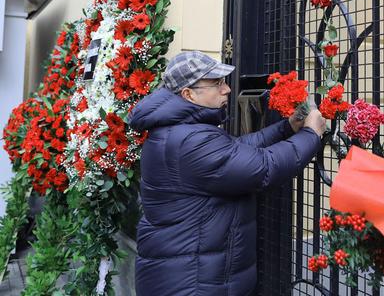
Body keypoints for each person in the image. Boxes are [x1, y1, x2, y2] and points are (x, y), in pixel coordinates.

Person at [129, 51, 326, 296]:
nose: (227, 90)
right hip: (193, 282)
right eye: (217, 83)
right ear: (188, 94)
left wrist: (286, 128)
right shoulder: (190, 140)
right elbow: (264, 167)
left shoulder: (177, 131)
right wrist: (310, 134)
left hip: (186, 274)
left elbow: (234, 151)